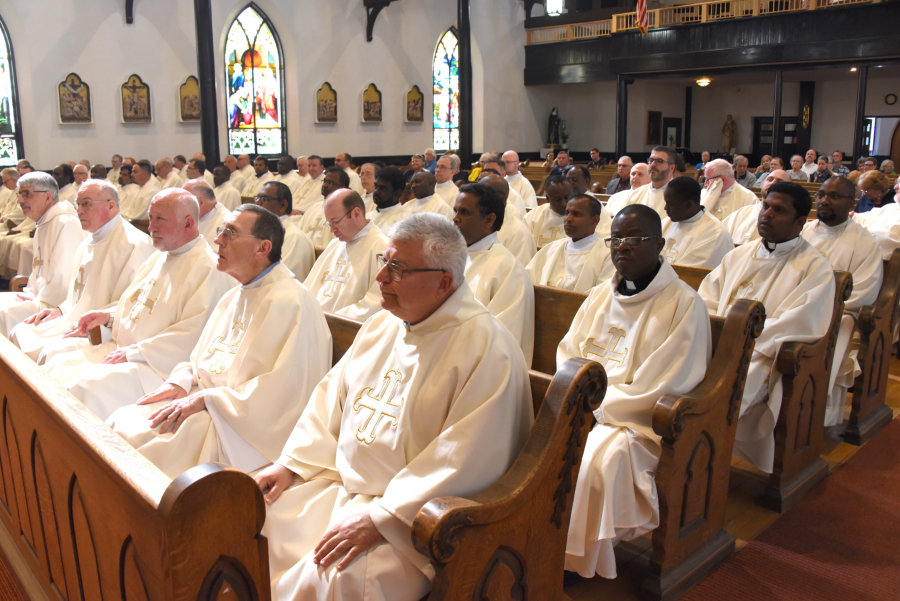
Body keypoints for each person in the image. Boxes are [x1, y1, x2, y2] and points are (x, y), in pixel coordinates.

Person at [255, 213, 533, 601]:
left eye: (398, 269)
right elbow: (329, 399)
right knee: (259, 518)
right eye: (383, 262)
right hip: (342, 485)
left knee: (339, 574)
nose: (381, 278)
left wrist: (383, 519)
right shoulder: (381, 325)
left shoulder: (486, 349)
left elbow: (464, 462)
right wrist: (291, 464)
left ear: (444, 282)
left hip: (413, 524)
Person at [107, 204, 332, 479]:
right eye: (220, 230)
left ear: (262, 248)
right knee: (120, 423)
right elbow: (199, 357)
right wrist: (180, 379)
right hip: (210, 404)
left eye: (231, 233)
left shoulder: (294, 302)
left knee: (143, 451)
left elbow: (287, 393)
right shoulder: (237, 293)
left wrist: (210, 399)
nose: (217, 239)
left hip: (240, 429)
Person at [559, 204, 711, 580]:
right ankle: (539, 539)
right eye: (616, 239)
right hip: (587, 408)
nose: (621, 247)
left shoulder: (683, 303)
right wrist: (578, 399)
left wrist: (596, 409)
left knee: (598, 458)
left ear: (660, 243)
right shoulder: (599, 295)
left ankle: (575, 559)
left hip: (637, 422)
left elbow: (667, 380)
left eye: (634, 239)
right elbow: (569, 352)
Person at [38, 189, 236, 421]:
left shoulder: (208, 270)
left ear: (188, 223)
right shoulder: (159, 257)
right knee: (53, 359)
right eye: (150, 217)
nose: (151, 226)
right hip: (123, 351)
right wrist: (108, 317)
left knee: (83, 388)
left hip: (157, 369)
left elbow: (193, 337)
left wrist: (136, 352)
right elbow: (138, 307)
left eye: (159, 219)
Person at [698, 181, 835, 472]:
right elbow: (706, 301)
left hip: (762, 354)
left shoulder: (814, 267)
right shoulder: (738, 255)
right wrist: (711, 335)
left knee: (711, 401)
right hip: (715, 344)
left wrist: (739, 341)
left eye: (779, 210)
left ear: (800, 222)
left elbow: (800, 321)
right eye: (766, 206)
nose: (767, 214)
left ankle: (699, 452)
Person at [10, 180, 154, 360]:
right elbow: (80, 292)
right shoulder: (88, 242)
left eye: (86, 203)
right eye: (77, 204)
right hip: (74, 320)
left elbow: (135, 305)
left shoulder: (135, 244)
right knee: (21, 331)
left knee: (49, 353)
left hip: (100, 332)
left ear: (110, 206)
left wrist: (95, 326)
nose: (78, 210)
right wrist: (62, 310)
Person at [801, 177, 882, 427]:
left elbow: (864, 291)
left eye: (834, 196)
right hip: (793, 308)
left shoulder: (864, 242)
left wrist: (818, 308)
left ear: (852, 203)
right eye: (821, 195)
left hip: (839, 313)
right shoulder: (802, 232)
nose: (825, 200)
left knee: (842, 325)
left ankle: (812, 413)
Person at [453, 182, 534, 365]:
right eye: (455, 211)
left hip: (485, 367)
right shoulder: (451, 258)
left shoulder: (509, 272)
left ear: (489, 220)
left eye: (464, 212)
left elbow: (503, 342)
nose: (455, 219)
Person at [0, 172, 85, 337]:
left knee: (3, 313)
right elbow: (39, 271)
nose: (19, 200)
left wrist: (37, 298)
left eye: (26, 194)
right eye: (19, 194)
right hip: (39, 296)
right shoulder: (45, 222)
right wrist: (31, 292)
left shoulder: (64, 223)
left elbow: (64, 280)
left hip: (55, 304)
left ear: (47, 197)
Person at [303, 189, 387, 320]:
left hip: (344, 328)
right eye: (330, 223)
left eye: (335, 222)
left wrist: (326, 320)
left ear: (356, 213)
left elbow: (374, 304)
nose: (332, 230)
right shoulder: (334, 244)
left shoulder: (382, 248)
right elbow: (308, 291)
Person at [526, 194, 614, 292]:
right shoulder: (552, 248)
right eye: (567, 213)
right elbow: (528, 281)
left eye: (576, 214)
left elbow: (602, 295)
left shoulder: (607, 254)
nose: (568, 219)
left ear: (594, 221)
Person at [660, 176, 733, 268]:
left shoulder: (715, 234)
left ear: (689, 204)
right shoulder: (666, 223)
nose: (665, 208)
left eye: (670, 204)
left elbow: (689, 274)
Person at [254, 181, 316, 280]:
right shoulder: (262, 232)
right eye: (257, 197)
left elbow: (281, 278)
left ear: (282, 205)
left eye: (265, 199)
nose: (257, 202)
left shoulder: (294, 238)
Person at [721, 169, 792, 245]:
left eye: (779, 182)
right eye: (770, 180)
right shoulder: (742, 213)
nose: (772, 183)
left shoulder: (790, 220)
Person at [479, 174, 536, 266]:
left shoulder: (518, 233)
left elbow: (518, 273)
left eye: (482, 195)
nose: (476, 199)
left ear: (502, 199)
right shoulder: (476, 223)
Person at [609, 146, 677, 218]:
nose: (653, 164)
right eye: (651, 160)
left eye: (659, 161)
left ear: (671, 168)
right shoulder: (635, 195)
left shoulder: (678, 197)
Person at [297, 166, 349, 248]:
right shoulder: (314, 206)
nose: (325, 185)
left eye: (330, 183)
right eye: (324, 181)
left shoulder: (345, 211)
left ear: (343, 188)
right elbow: (299, 232)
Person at [852, 178, 900, 259]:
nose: (895, 187)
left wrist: (862, 228)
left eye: (899, 183)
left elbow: (892, 239)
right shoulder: (893, 206)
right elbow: (869, 216)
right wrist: (852, 217)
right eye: (897, 182)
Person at [183, 179, 230, 251]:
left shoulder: (226, 223)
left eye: (184, 202)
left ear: (200, 202)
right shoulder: (190, 217)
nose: (182, 207)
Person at [567, 164, 612, 237]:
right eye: (568, 180)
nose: (570, 183)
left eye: (574, 180)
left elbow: (604, 233)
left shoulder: (593, 204)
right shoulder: (566, 201)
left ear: (586, 181)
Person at [525, 175, 569, 247]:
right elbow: (525, 245)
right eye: (557, 199)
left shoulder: (583, 216)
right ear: (548, 199)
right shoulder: (534, 216)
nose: (564, 203)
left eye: (567, 197)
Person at [367, 166, 411, 233]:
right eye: (376, 186)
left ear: (397, 193)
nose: (376, 191)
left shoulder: (405, 221)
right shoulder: (367, 216)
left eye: (383, 188)